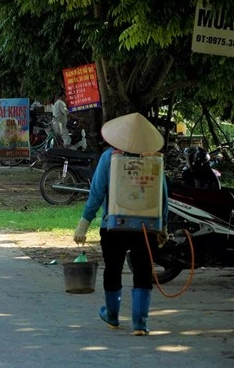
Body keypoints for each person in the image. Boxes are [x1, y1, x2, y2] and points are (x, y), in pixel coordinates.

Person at [73, 112, 168, 336]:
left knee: (113, 269)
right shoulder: (154, 160)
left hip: (114, 225)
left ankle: (113, 316)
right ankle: (140, 323)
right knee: (144, 271)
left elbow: (96, 193)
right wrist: (162, 227)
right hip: (146, 227)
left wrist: (84, 223)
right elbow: (163, 196)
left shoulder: (109, 157)